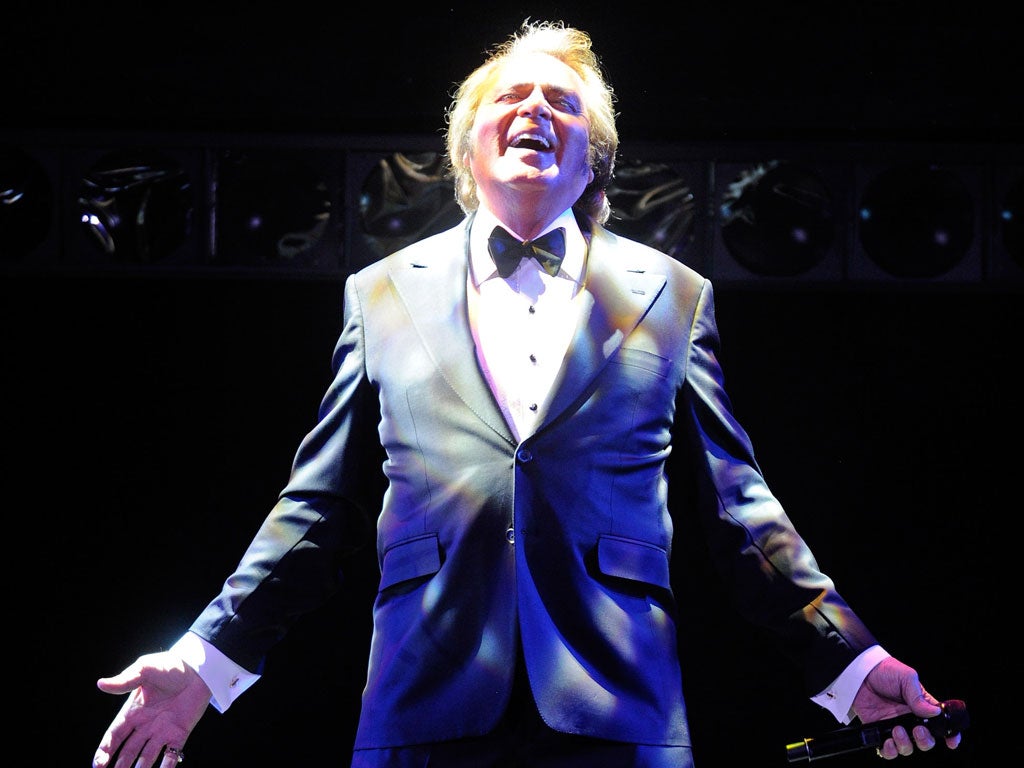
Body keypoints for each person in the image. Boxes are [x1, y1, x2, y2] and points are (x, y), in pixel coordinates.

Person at [92, 19, 963, 768]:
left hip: (617, 707)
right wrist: (203, 662)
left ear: (594, 159)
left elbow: (740, 511)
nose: (535, 110)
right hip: (424, 704)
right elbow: (316, 511)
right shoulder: (383, 292)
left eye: (562, 102)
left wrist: (852, 664)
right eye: (511, 96)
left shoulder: (670, 294)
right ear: (469, 148)